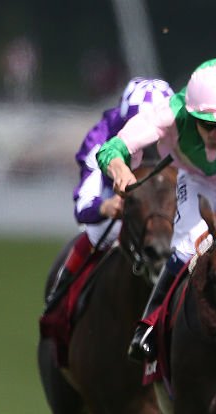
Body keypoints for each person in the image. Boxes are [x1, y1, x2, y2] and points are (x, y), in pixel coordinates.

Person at [97, 57, 216, 361]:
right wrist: (118, 167)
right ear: (190, 114)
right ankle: (149, 325)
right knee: (186, 250)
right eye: (206, 125)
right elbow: (116, 146)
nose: (215, 134)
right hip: (198, 179)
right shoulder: (171, 112)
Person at [45, 77, 175, 312]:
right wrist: (106, 207)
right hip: (116, 207)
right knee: (95, 235)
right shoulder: (101, 137)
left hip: (169, 212)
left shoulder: (183, 134)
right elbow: (84, 205)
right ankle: (59, 309)